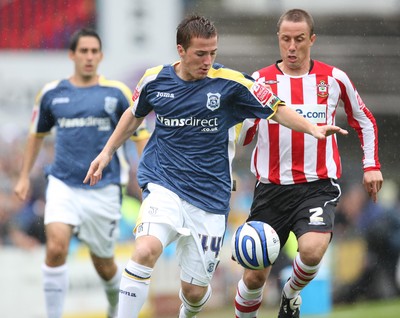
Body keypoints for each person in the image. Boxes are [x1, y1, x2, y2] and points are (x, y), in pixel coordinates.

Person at [84, 14, 347, 318]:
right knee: (144, 250)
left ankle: (188, 311)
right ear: (180, 50)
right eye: (200, 54)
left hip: (209, 200)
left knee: (194, 295)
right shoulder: (154, 80)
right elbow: (134, 114)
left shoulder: (232, 84)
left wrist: (311, 128)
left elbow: (276, 109)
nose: (208, 61)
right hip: (163, 184)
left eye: (213, 53)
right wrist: (106, 152)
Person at [234, 9, 384, 318]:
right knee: (254, 276)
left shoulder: (333, 78)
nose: (291, 47)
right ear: (278, 39)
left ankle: (290, 294)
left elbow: (365, 120)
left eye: (299, 39)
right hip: (270, 190)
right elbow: (243, 133)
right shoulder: (260, 81)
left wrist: (371, 165)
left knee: (313, 250)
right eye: (286, 39)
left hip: (316, 186)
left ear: (311, 40)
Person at [14, 28, 149, 318]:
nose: (89, 57)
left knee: (104, 264)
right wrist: (25, 176)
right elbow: (36, 135)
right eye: (83, 51)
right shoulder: (52, 93)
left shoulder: (117, 93)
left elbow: (140, 136)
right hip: (63, 184)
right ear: (72, 55)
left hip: (105, 188)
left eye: (94, 51)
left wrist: (147, 178)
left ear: (100, 55)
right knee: (56, 248)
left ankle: (116, 306)